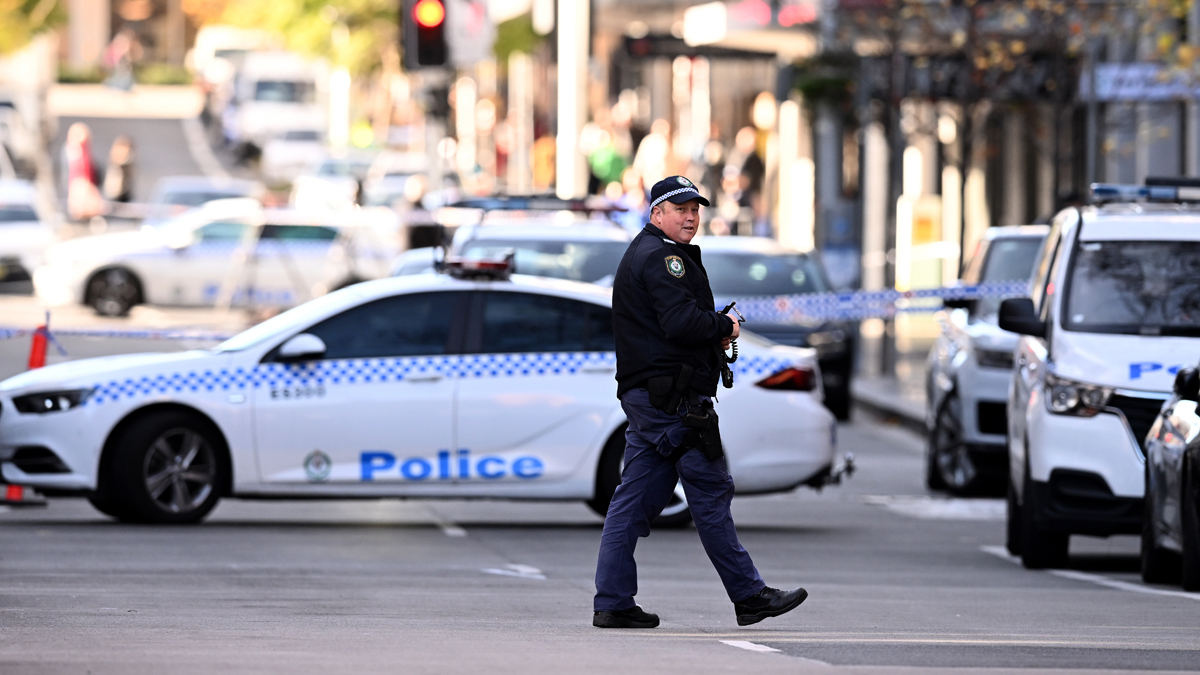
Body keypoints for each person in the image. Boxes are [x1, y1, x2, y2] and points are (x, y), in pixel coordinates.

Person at [592, 175, 807, 629]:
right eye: (680, 209)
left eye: (695, 209)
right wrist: (723, 325)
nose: (690, 217)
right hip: (671, 401)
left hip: (657, 397)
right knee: (710, 491)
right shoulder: (662, 257)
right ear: (657, 215)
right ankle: (749, 595)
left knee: (631, 503)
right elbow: (681, 324)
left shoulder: (651, 251)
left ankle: (612, 601)